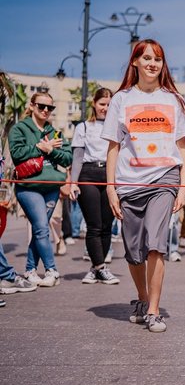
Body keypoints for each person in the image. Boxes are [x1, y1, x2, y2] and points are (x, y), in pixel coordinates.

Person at [102, 39, 185, 333]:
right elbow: (113, 147)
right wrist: (111, 188)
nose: (153, 64)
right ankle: (142, 297)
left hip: (164, 178)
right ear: (135, 62)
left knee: (156, 243)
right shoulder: (121, 100)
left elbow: (182, 147)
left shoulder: (174, 100)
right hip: (128, 182)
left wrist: (183, 185)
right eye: (147, 58)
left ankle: (154, 310)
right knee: (133, 251)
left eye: (158, 59)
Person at [8, 91, 72, 288]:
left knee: (39, 229)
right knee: (42, 228)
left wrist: (52, 150)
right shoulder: (19, 129)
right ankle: (52, 270)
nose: (46, 110)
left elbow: (68, 158)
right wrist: (40, 147)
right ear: (32, 106)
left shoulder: (55, 132)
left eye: (50, 107)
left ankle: (30, 269)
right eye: (41, 106)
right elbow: (17, 154)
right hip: (29, 186)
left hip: (51, 186)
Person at [69, 87, 120, 285]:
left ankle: (94, 269)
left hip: (110, 175)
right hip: (88, 174)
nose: (105, 108)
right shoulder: (83, 127)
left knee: (108, 225)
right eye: (102, 104)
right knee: (94, 225)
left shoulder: (117, 127)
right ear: (94, 104)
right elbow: (78, 157)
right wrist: (73, 182)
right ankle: (101, 268)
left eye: (109, 105)